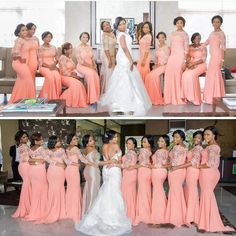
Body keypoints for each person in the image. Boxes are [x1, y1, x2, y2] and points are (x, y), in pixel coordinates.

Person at [75, 130, 132, 235]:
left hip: (106, 169)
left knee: (106, 190)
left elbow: (105, 159)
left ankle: (99, 215)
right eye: (115, 137)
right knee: (114, 191)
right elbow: (118, 161)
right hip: (114, 170)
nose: (116, 138)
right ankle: (113, 217)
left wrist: (110, 161)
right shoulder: (115, 146)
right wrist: (117, 161)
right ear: (111, 138)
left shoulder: (104, 146)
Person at [100, 17, 152, 116]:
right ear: (117, 26)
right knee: (124, 78)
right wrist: (130, 59)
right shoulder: (121, 35)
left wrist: (130, 58)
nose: (123, 25)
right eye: (120, 24)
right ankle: (121, 103)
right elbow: (124, 48)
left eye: (124, 23)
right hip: (124, 58)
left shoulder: (125, 34)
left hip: (125, 57)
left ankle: (128, 101)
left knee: (128, 78)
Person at [198, 126, 234, 232]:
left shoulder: (214, 147)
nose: (205, 136)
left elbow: (210, 163)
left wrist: (198, 166)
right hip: (206, 173)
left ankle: (209, 223)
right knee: (206, 196)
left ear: (214, 135)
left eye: (208, 134)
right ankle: (205, 222)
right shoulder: (209, 146)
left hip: (208, 173)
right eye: (205, 134)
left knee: (207, 195)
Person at [171, 130, 203, 225]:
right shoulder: (193, 148)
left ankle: (192, 216)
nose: (196, 139)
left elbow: (193, 162)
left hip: (192, 171)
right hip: (188, 171)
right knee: (188, 192)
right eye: (195, 137)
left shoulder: (198, 148)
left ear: (202, 140)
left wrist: (177, 167)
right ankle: (189, 215)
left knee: (192, 192)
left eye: (199, 138)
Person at [164, 16, 189, 105]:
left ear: (183, 24)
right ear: (175, 24)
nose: (179, 24)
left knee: (178, 76)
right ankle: (170, 97)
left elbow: (186, 49)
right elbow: (170, 47)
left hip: (181, 56)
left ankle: (179, 97)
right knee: (169, 75)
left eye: (181, 23)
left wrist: (185, 61)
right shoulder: (172, 33)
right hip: (172, 56)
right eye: (178, 23)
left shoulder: (185, 34)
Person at [165, 130, 188, 227]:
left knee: (175, 192)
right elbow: (173, 160)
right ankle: (177, 214)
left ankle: (176, 216)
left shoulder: (179, 147)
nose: (175, 139)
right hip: (175, 171)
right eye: (174, 137)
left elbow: (176, 161)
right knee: (175, 192)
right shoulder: (181, 147)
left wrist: (171, 166)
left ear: (182, 138)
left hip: (176, 171)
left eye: (177, 137)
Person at [9, 24, 36, 103]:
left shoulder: (25, 40)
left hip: (23, 64)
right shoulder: (19, 40)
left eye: (26, 30)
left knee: (21, 82)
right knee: (29, 80)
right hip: (18, 63)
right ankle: (30, 101)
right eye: (22, 30)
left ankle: (18, 101)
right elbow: (14, 54)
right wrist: (20, 58)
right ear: (19, 33)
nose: (25, 31)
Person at [203, 15, 226, 104]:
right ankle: (210, 97)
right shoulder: (212, 33)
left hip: (218, 56)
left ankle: (215, 97)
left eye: (218, 22)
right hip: (212, 57)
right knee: (211, 75)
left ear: (220, 23)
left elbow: (223, 48)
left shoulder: (221, 34)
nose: (216, 23)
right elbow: (206, 42)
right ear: (212, 23)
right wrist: (196, 45)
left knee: (215, 74)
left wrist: (222, 60)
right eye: (214, 22)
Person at [58, 42, 87, 107]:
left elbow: (72, 68)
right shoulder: (62, 58)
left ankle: (78, 102)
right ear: (65, 50)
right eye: (70, 48)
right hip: (64, 77)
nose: (71, 49)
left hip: (70, 76)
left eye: (71, 48)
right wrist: (73, 76)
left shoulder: (69, 58)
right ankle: (63, 99)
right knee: (76, 85)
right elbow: (63, 71)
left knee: (80, 84)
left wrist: (74, 73)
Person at [181, 33, 207, 105]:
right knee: (185, 74)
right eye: (195, 38)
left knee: (192, 75)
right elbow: (188, 57)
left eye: (198, 38)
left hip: (201, 64)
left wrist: (193, 64)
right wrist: (189, 63)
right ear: (193, 39)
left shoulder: (203, 47)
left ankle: (195, 98)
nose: (197, 40)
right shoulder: (190, 47)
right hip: (192, 63)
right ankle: (187, 96)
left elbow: (203, 59)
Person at [145, 32, 170, 105]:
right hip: (158, 65)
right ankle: (150, 97)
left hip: (165, 66)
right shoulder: (158, 48)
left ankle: (157, 97)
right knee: (148, 76)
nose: (161, 39)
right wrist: (155, 65)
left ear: (165, 38)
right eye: (159, 37)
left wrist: (161, 64)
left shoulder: (167, 47)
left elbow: (168, 59)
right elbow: (156, 58)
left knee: (153, 76)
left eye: (162, 37)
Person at [76, 32, 100, 104]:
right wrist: (90, 66)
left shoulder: (89, 47)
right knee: (91, 74)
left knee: (96, 75)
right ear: (80, 38)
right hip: (82, 66)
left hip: (90, 66)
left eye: (87, 37)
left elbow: (92, 58)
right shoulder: (78, 47)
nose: (85, 38)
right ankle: (91, 99)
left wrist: (94, 65)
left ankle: (96, 97)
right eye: (83, 37)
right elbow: (80, 61)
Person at [150, 135, 169, 226]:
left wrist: (149, 166)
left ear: (166, 143)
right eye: (158, 141)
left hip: (158, 171)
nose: (159, 142)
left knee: (158, 192)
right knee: (159, 191)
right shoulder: (165, 151)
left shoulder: (161, 151)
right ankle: (162, 213)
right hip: (160, 171)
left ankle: (158, 216)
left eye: (161, 141)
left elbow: (159, 164)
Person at [12, 131, 30, 218]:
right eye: (23, 137)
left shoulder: (23, 146)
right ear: (19, 139)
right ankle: (26, 206)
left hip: (23, 165)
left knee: (26, 185)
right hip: (25, 166)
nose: (26, 138)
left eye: (26, 136)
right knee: (27, 184)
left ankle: (26, 205)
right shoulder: (23, 146)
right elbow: (27, 158)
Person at [135, 135, 153, 225]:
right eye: (142, 141)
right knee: (146, 191)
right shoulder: (150, 151)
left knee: (142, 192)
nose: (143, 143)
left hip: (142, 171)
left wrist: (133, 166)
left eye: (145, 142)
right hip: (148, 171)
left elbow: (141, 163)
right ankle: (147, 211)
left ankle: (142, 213)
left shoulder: (143, 150)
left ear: (149, 143)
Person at [38, 31, 62, 99]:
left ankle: (56, 97)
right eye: (47, 37)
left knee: (57, 77)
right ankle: (47, 97)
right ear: (43, 38)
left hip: (53, 66)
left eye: (50, 37)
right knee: (50, 78)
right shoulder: (40, 48)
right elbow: (40, 61)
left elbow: (57, 58)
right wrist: (49, 66)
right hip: (43, 67)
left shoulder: (53, 47)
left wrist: (54, 64)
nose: (49, 38)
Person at [81, 134, 101, 215]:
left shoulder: (85, 149)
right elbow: (97, 163)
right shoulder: (91, 149)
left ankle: (87, 210)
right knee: (93, 190)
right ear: (86, 143)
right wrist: (109, 162)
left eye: (92, 139)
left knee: (88, 189)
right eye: (90, 141)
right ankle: (91, 213)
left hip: (87, 170)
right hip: (92, 171)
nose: (93, 141)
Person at [121, 137, 138, 225]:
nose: (128, 145)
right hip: (131, 174)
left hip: (129, 174)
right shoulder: (133, 153)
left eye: (130, 143)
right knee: (131, 194)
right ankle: (131, 215)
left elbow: (126, 165)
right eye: (127, 143)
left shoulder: (130, 153)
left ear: (134, 145)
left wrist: (114, 164)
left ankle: (128, 215)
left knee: (127, 194)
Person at [100, 21, 116, 93]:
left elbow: (114, 45)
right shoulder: (104, 35)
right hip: (107, 56)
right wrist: (109, 60)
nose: (107, 26)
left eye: (108, 24)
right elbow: (106, 49)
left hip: (113, 55)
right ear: (102, 28)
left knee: (112, 73)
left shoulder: (112, 33)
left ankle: (112, 91)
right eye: (104, 26)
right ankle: (108, 92)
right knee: (109, 72)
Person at [26, 22, 40, 89]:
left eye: (34, 29)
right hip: (26, 62)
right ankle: (24, 96)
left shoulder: (36, 38)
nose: (33, 31)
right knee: (26, 79)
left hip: (34, 62)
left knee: (32, 78)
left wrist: (38, 63)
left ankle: (31, 96)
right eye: (32, 29)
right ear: (27, 29)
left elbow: (39, 52)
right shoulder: (23, 39)